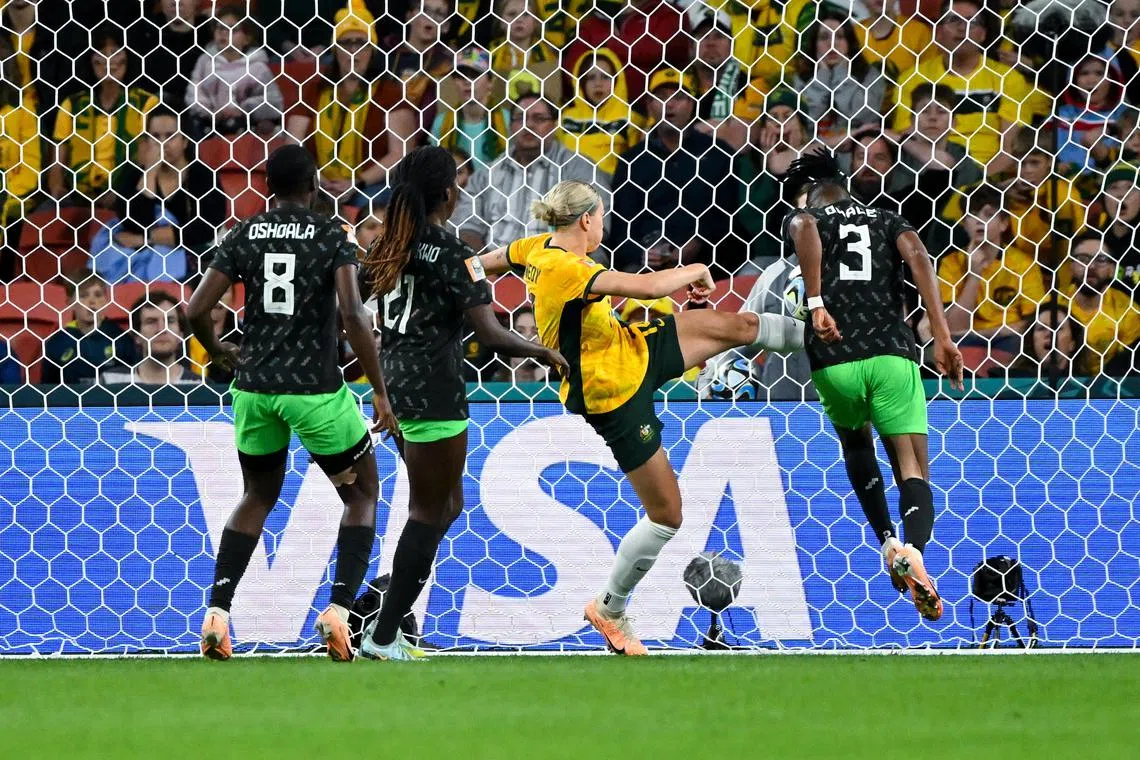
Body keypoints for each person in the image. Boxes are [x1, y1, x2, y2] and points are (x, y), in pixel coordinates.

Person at [477, 179, 806, 655]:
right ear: (588, 219)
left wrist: (428, 263)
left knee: (742, 326)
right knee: (667, 514)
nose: (604, 225)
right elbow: (650, 285)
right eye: (602, 216)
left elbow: (480, 264)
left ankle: (835, 336)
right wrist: (694, 268)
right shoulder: (565, 267)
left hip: (630, 347)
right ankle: (609, 608)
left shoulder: (535, 247)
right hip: (612, 394)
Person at [185, 144, 394, 663]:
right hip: (314, 390)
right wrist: (381, 389)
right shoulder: (332, 234)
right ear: (314, 182)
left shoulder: (242, 233)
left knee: (257, 496)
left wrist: (218, 350)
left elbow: (194, 309)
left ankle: (218, 611)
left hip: (254, 389)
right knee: (362, 493)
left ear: (267, 183)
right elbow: (352, 311)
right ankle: (340, 610)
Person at [357, 146, 567, 661]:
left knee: (446, 505)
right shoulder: (455, 254)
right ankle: (382, 635)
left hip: (395, 386)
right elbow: (492, 335)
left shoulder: (387, 246)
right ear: (447, 193)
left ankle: (384, 607)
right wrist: (541, 349)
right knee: (430, 510)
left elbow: (352, 307)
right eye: (458, 184)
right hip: (434, 393)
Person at [783, 149, 964, 622]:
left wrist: (818, 301)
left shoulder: (807, 216)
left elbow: (802, 227)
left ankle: (886, 541)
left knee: (856, 444)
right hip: (891, 352)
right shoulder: (888, 218)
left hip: (834, 358)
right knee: (911, 465)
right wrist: (941, 336)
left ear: (806, 192)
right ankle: (915, 548)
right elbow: (920, 256)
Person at [97, 106, 227, 282]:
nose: (162, 143)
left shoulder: (203, 175)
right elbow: (133, 223)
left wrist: (147, 239)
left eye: (170, 136)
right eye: (155, 137)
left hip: (194, 262)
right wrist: (150, 173)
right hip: (141, 263)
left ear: (185, 141)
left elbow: (204, 229)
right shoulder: (133, 174)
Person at [49, 26, 158, 204]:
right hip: (78, 196)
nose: (109, 60)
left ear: (128, 57)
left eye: (115, 52)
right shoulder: (72, 104)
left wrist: (121, 191)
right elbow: (57, 162)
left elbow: (147, 157)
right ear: (90, 60)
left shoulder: (146, 103)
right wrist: (57, 188)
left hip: (128, 195)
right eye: (101, 52)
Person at [185, 4, 283, 137]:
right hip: (209, 123)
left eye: (232, 29)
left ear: (247, 38)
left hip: (247, 126)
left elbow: (273, 102)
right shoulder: (205, 61)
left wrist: (243, 108)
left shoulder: (258, 67)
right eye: (219, 27)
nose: (223, 32)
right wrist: (211, 112)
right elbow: (194, 94)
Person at [1062, 232, 1140, 375]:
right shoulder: (1054, 307)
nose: (1091, 266)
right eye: (1082, 259)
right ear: (1070, 267)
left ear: (1112, 270)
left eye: (1101, 259)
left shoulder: (1128, 311)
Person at [41, 268, 136, 385]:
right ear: (70, 303)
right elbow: (47, 391)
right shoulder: (57, 343)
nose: (92, 301)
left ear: (106, 300)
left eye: (98, 295)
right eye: (83, 296)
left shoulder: (121, 339)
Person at [100, 293, 198, 385]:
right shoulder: (111, 381)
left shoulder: (198, 385)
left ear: (181, 334)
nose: (161, 329)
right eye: (151, 322)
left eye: (169, 321)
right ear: (137, 335)